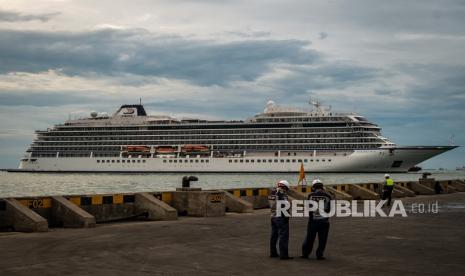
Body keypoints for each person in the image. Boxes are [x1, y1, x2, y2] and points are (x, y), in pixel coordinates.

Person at [301, 179, 331, 260]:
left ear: (313, 187)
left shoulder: (311, 195)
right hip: (324, 221)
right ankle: (319, 255)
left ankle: (305, 254)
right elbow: (329, 209)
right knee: (322, 239)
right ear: (322, 186)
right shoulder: (328, 196)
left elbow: (309, 208)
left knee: (309, 238)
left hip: (313, 221)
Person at [269, 180, 293, 260]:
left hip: (272, 216)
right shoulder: (282, 193)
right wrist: (287, 216)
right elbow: (284, 205)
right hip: (281, 217)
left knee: (274, 236)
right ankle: (284, 255)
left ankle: (273, 253)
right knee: (283, 236)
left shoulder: (272, 192)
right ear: (285, 187)